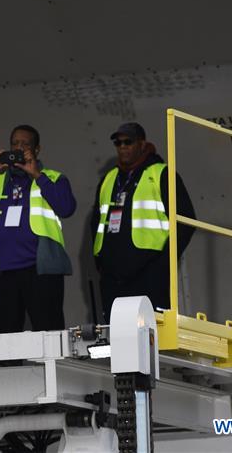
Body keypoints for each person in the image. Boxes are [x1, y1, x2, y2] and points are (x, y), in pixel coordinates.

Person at [0, 125, 76, 333]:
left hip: (41, 271)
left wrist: (37, 175)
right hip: (2, 273)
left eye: (25, 144)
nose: (18, 148)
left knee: (49, 334)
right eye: (14, 143)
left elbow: (67, 208)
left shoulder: (53, 178)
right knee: (6, 339)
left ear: (36, 149)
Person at [91, 122, 195, 322]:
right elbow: (96, 222)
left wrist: (165, 262)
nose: (122, 147)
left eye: (128, 142)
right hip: (113, 275)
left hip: (150, 272)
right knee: (118, 332)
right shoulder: (109, 178)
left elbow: (186, 221)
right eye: (118, 143)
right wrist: (100, 259)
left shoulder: (161, 174)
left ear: (142, 144)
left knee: (153, 331)